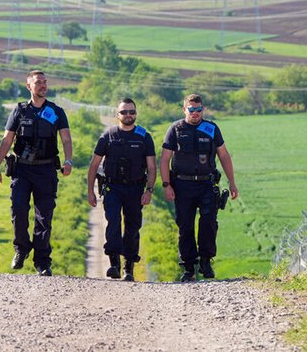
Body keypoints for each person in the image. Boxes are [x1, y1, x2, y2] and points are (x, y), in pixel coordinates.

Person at [0, 70, 73, 277]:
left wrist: (68, 160)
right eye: (38, 82)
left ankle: (42, 261)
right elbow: (7, 140)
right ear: (29, 86)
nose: (43, 85)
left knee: (44, 217)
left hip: (46, 169)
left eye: (45, 82)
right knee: (18, 211)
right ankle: (21, 249)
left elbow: (65, 139)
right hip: (22, 169)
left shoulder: (56, 111)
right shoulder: (19, 111)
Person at [160, 94, 238, 282]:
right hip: (182, 185)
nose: (195, 113)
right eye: (192, 109)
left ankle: (205, 260)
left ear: (203, 109)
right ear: (184, 109)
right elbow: (164, 159)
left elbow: (224, 156)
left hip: (206, 183)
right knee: (185, 226)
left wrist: (232, 182)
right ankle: (188, 268)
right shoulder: (176, 129)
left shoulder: (211, 128)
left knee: (209, 222)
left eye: (199, 109)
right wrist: (166, 184)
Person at [87, 98, 156, 282]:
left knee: (133, 228)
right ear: (117, 115)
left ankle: (129, 267)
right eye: (124, 112)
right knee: (114, 223)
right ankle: (114, 264)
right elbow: (94, 165)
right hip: (113, 187)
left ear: (136, 113)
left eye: (131, 112)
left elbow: (151, 167)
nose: (128, 115)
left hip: (135, 188)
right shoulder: (108, 136)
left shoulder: (144, 137)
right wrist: (90, 191)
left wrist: (149, 190)